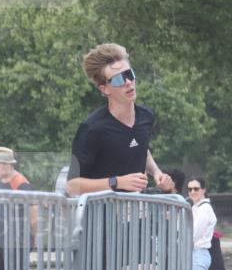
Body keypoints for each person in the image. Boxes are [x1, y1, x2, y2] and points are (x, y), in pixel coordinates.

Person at [67, 43, 173, 196]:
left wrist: (157, 173)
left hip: (139, 213)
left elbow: (140, 147)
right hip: (101, 217)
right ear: (104, 89)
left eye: (129, 74)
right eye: (118, 79)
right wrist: (116, 182)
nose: (128, 82)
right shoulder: (92, 129)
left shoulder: (146, 116)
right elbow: (72, 185)